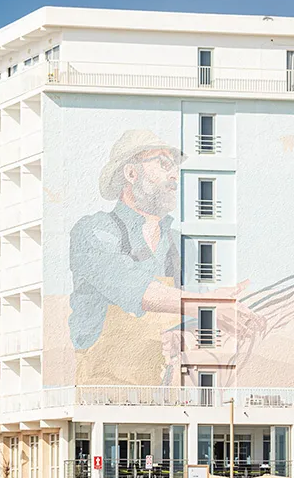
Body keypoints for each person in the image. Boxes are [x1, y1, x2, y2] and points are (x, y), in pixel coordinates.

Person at [68, 129, 255, 386]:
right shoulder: (94, 231)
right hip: (102, 393)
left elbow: (196, 319)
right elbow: (133, 287)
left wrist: (187, 335)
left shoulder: (181, 246)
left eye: (176, 167)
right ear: (131, 173)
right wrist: (211, 305)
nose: (174, 175)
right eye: (164, 164)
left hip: (166, 396)